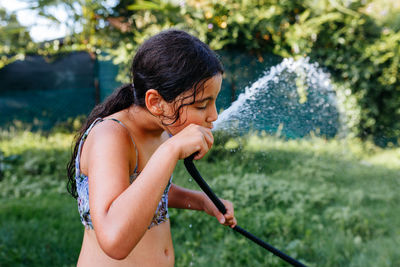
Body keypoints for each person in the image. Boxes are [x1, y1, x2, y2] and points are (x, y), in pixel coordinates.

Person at [66, 29, 237, 266]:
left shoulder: (161, 130)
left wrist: (202, 201)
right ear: (156, 102)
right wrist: (170, 151)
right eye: (201, 106)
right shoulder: (111, 136)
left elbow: (150, 189)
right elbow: (114, 241)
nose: (214, 115)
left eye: (214, 102)